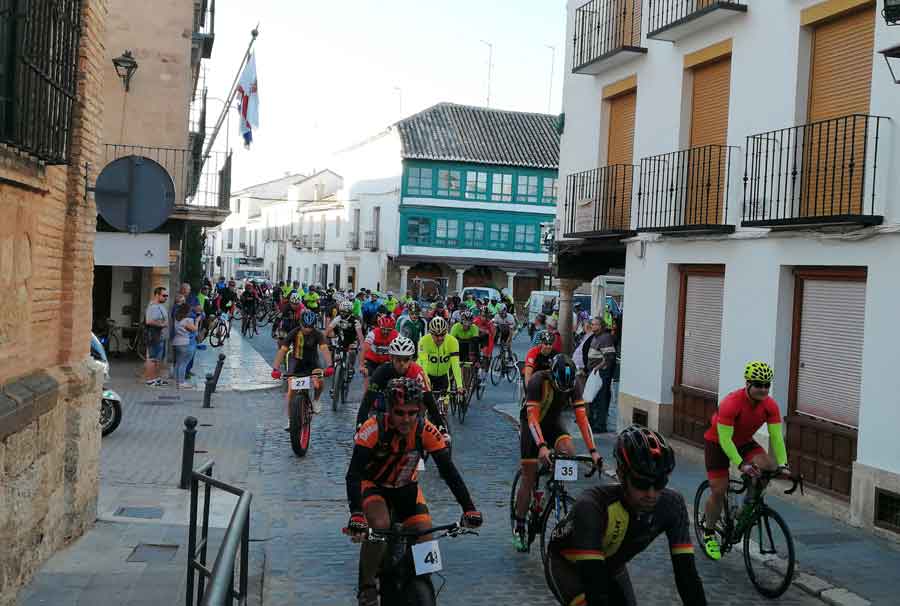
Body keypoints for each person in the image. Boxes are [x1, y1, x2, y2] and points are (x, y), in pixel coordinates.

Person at [346, 378, 483, 606]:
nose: (406, 419)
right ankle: (367, 586)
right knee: (379, 526)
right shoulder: (372, 428)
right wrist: (357, 514)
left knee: (426, 537)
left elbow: (449, 472)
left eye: (412, 413)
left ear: (420, 410)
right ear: (389, 409)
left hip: (407, 488)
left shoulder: (425, 430)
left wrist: (469, 509)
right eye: (400, 413)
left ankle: (415, 581)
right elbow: (353, 475)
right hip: (374, 486)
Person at [545, 425, 707, 605]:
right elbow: (595, 589)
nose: (652, 493)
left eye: (660, 483)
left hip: (612, 564)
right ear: (621, 475)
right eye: (641, 483)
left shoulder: (672, 504)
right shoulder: (591, 506)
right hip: (569, 566)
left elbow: (687, 576)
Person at [700, 361, 790, 561]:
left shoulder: (770, 405)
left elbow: (776, 437)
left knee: (768, 466)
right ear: (748, 383)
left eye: (767, 385)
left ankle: (746, 506)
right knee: (719, 489)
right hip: (717, 442)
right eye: (758, 384)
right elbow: (725, 440)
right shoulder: (732, 403)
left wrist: (784, 464)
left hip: (743, 441)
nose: (763, 389)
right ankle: (708, 533)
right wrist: (742, 464)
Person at [512, 355, 601, 552]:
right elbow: (533, 419)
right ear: (552, 375)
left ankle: (551, 490)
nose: (564, 391)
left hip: (553, 423)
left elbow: (582, 420)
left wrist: (593, 451)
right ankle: (519, 526)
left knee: (568, 451)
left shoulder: (574, 384)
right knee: (529, 474)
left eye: (566, 388)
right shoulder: (537, 381)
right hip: (531, 425)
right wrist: (542, 446)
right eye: (560, 387)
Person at [355, 336, 447, 433]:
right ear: (391, 358)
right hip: (386, 407)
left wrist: (441, 427)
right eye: (398, 359)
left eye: (406, 359)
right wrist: (360, 424)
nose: (402, 363)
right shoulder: (381, 372)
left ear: (411, 359)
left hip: (411, 410)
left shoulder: (417, 371)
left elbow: (429, 400)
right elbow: (368, 400)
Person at [271, 310, 334, 417]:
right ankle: (290, 419)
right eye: (305, 326)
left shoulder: (318, 334)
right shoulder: (294, 333)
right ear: (300, 323)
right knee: (291, 391)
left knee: (320, 380)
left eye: (310, 326)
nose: (307, 329)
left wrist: (329, 366)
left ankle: (316, 400)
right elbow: (282, 350)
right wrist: (275, 369)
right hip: (296, 363)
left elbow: (324, 349)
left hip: (313, 362)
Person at [580, 317, 617, 433]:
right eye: (592, 324)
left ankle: (600, 425)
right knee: (593, 399)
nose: (593, 327)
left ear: (602, 326)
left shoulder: (605, 338)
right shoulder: (596, 337)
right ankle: (594, 423)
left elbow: (609, 357)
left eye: (596, 325)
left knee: (601, 399)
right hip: (594, 372)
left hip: (601, 373)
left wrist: (598, 367)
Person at [417, 316, 463, 397]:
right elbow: (423, 363)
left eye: (442, 335)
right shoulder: (424, 341)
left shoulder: (452, 341)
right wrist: (426, 381)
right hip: (428, 374)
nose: (440, 338)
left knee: (444, 405)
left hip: (443, 376)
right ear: (430, 333)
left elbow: (455, 363)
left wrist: (459, 385)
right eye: (436, 335)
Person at [325, 300, 365, 379]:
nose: (342, 314)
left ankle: (351, 367)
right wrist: (324, 339)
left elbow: (360, 336)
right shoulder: (338, 318)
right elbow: (328, 329)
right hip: (341, 338)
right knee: (335, 351)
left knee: (352, 351)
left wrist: (361, 345)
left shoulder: (355, 320)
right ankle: (336, 368)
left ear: (350, 312)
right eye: (341, 311)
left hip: (352, 339)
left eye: (345, 312)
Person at [360, 315, 399, 392]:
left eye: (388, 330)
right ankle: (367, 395)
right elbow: (364, 349)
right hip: (372, 361)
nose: (385, 332)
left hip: (387, 362)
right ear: (379, 327)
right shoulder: (372, 334)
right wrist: (361, 366)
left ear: (393, 329)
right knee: (366, 373)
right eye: (383, 329)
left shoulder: (396, 335)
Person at [144, 286, 170, 386]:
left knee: (158, 359)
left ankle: (156, 378)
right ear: (157, 295)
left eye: (167, 296)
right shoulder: (153, 306)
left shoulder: (159, 305)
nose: (166, 298)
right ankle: (150, 379)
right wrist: (162, 324)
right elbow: (149, 321)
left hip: (160, 336)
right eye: (164, 296)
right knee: (152, 358)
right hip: (154, 336)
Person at [172, 303, 197, 389]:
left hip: (176, 342)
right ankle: (181, 382)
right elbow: (194, 329)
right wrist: (197, 320)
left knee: (178, 362)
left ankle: (176, 380)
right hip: (184, 342)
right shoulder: (186, 320)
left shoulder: (177, 319)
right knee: (184, 363)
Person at [449, 310, 481, 376]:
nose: (467, 324)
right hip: (457, 345)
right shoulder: (455, 327)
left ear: (472, 322)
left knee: (470, 362)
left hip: (469, 346)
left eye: (469, 322)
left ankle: (472, 375)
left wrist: (478, 359)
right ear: (461, 321)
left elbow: (476, 344)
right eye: (465, 321)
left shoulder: (474, 328)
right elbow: (449, 342)